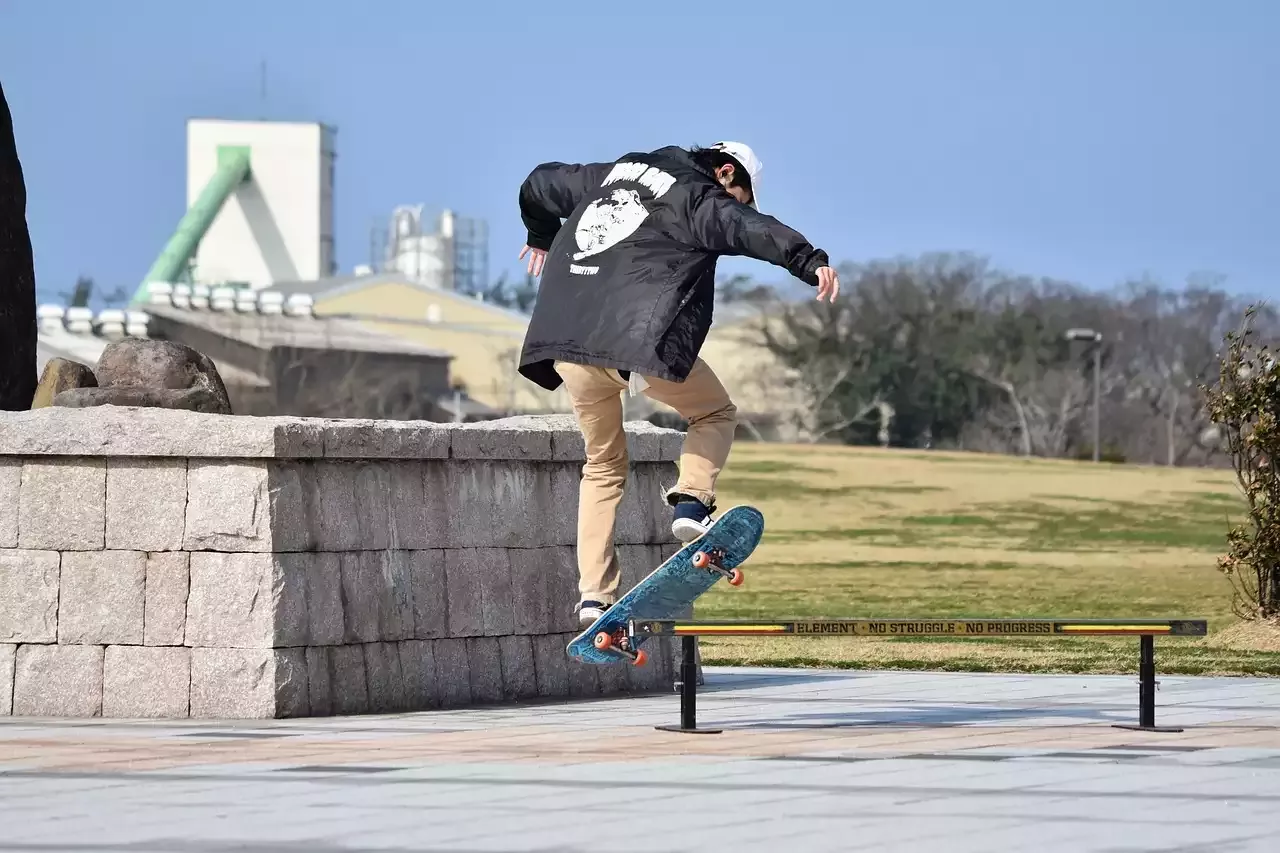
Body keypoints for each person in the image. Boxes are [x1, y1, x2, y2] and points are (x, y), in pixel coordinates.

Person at [515, 141, 839, 627]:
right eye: (739, 196)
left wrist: (541, 235)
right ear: (726, 173)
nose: (736, 206)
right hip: (638, 342)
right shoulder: (698, 195)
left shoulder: (608, 174)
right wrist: (809, 261)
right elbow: (750, 229)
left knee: (602, 466)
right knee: (714, 413)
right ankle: (691, 501)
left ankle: (592, 597)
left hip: (569, 344)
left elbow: (538, 182)